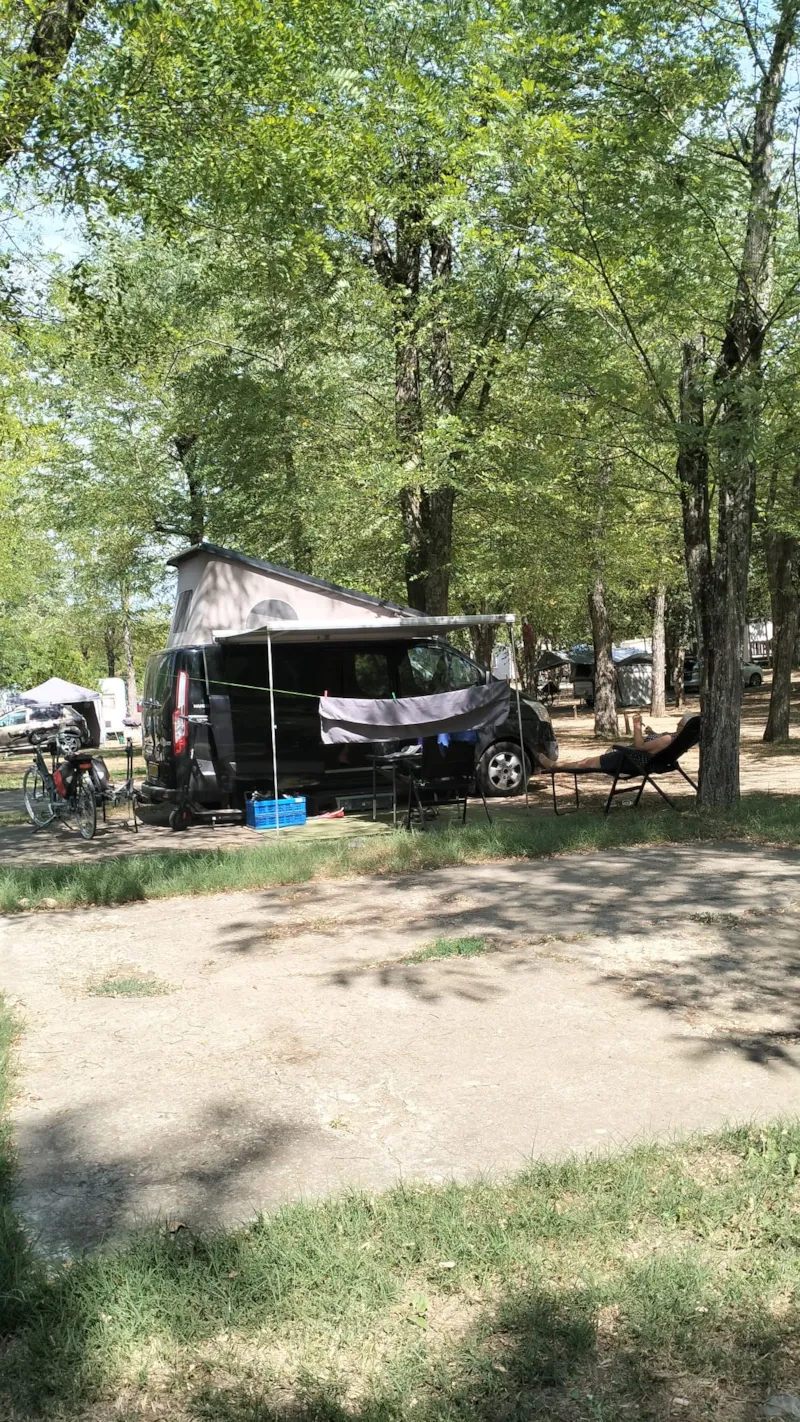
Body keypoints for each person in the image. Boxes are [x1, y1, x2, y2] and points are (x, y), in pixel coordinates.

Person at [537, 713, 693, 774]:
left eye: (679, 724)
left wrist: (637, 726)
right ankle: (556, 766)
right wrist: (652, 733)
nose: (677, 725)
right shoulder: (677, 741)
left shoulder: (668, 740)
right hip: (639, 761)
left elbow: (639, 746)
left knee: (586, 763)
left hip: (630, 761)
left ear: (683, 728)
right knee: (588, 761)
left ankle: (554, 766)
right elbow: (657, 746)